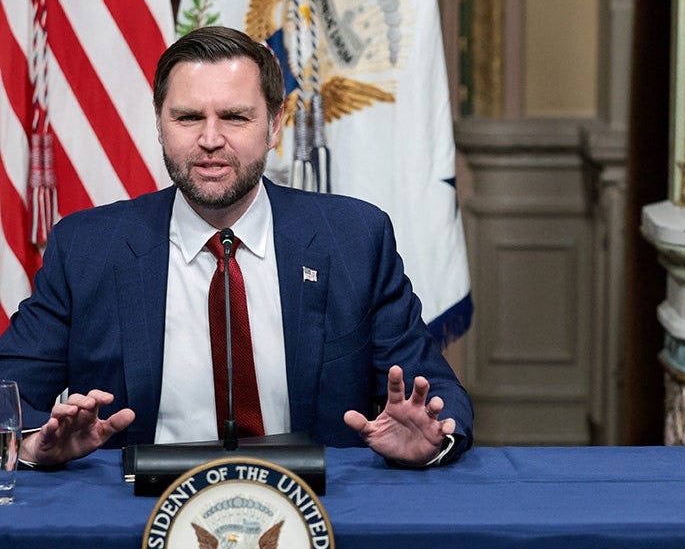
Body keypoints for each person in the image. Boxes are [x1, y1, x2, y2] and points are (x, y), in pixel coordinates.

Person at [4, 26, 472, 468]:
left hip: (314, 506)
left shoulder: (353, 239)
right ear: (160, 125)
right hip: (136, 507)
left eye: (235, 117)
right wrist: (29, 445)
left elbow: (436, 395)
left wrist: (428, 441)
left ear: (274, 126)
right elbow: (9, 394)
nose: (210, 140)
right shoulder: (88, 247)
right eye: (188, 117)